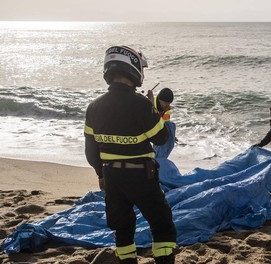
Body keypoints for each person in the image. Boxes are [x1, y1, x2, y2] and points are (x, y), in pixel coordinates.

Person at [84, 45, 176, 264]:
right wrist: (155, 110)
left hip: (111, 177)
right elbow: (162, 138)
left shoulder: (94, 107)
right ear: (133, 69)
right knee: (162, 225)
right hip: (141, 176)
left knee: (123, 229)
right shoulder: (141, 105)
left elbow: (90, 150)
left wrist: (100, 174)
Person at [147, 88, 176, 158]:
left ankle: (162, 159)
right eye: (165, 103)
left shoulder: (167, 109)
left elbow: (165, 124)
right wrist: (151, 101)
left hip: (159, 128)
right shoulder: (150, 103)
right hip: (148, 127)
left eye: (169, 103)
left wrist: (172, 135)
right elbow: (151, 119)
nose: (167, 105)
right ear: (159, 99)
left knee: (170, 127)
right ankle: (158, 159)